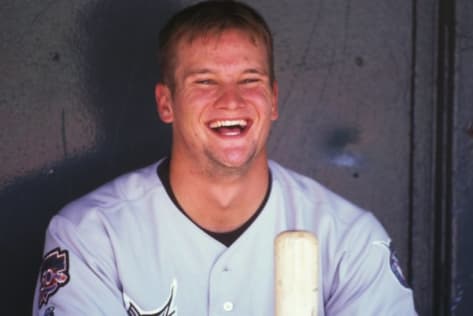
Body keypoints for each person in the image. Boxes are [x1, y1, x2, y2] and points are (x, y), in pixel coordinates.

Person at [33, 1, 417, 315]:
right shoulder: (92, 236)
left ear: (273, 99)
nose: (231, 100)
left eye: (250, 80)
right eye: (205, 81)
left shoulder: (349, 238)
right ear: (166, 103)